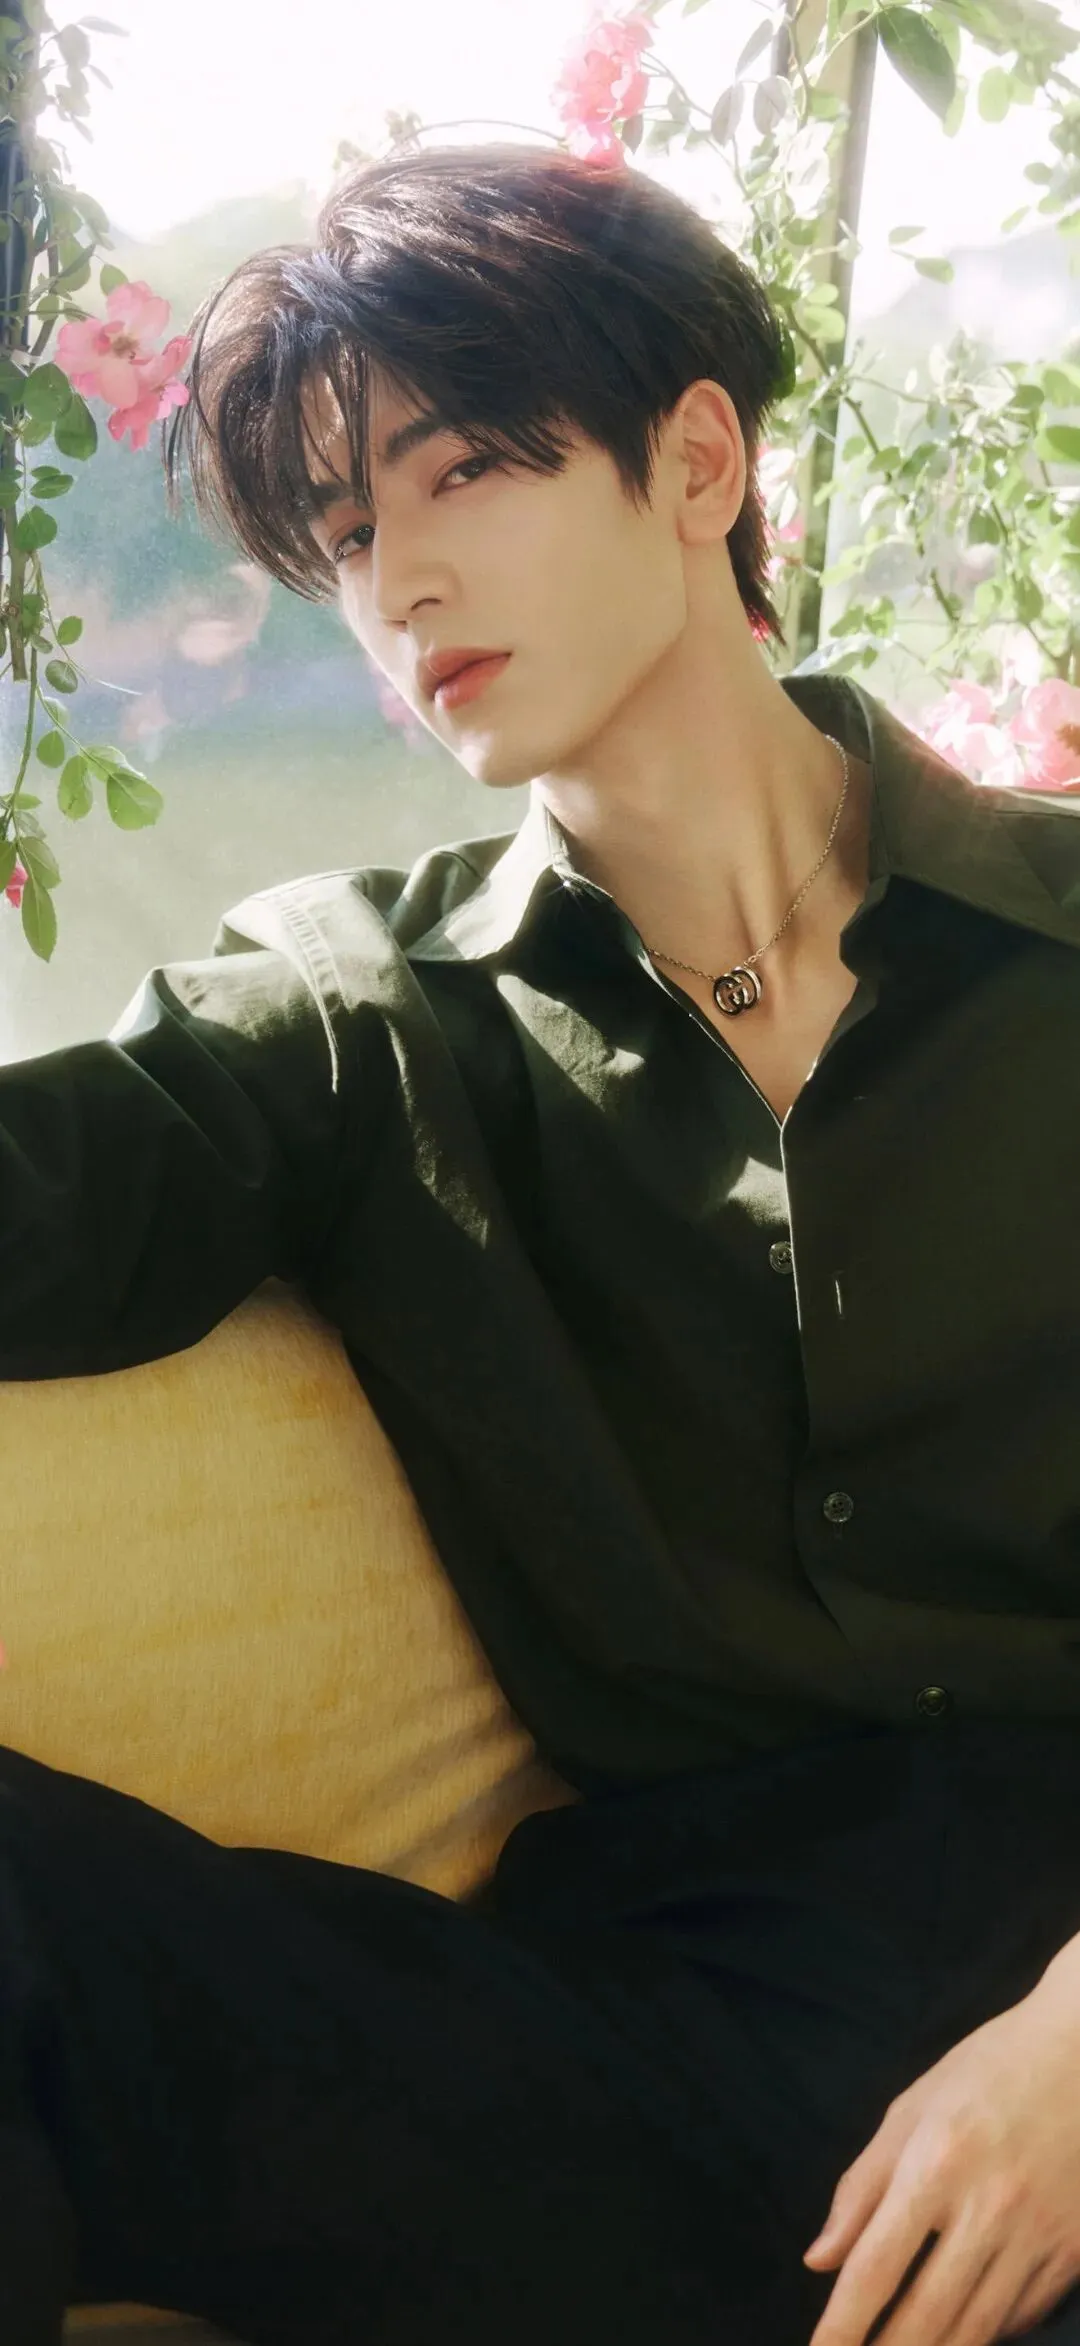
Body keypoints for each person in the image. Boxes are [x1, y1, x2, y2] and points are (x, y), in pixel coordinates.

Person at [4, 141, 1080, 2346]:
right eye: (342, 532)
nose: (397, 581)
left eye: (465, 467)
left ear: (697, 463)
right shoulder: (359, 1019)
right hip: (684, 2078)